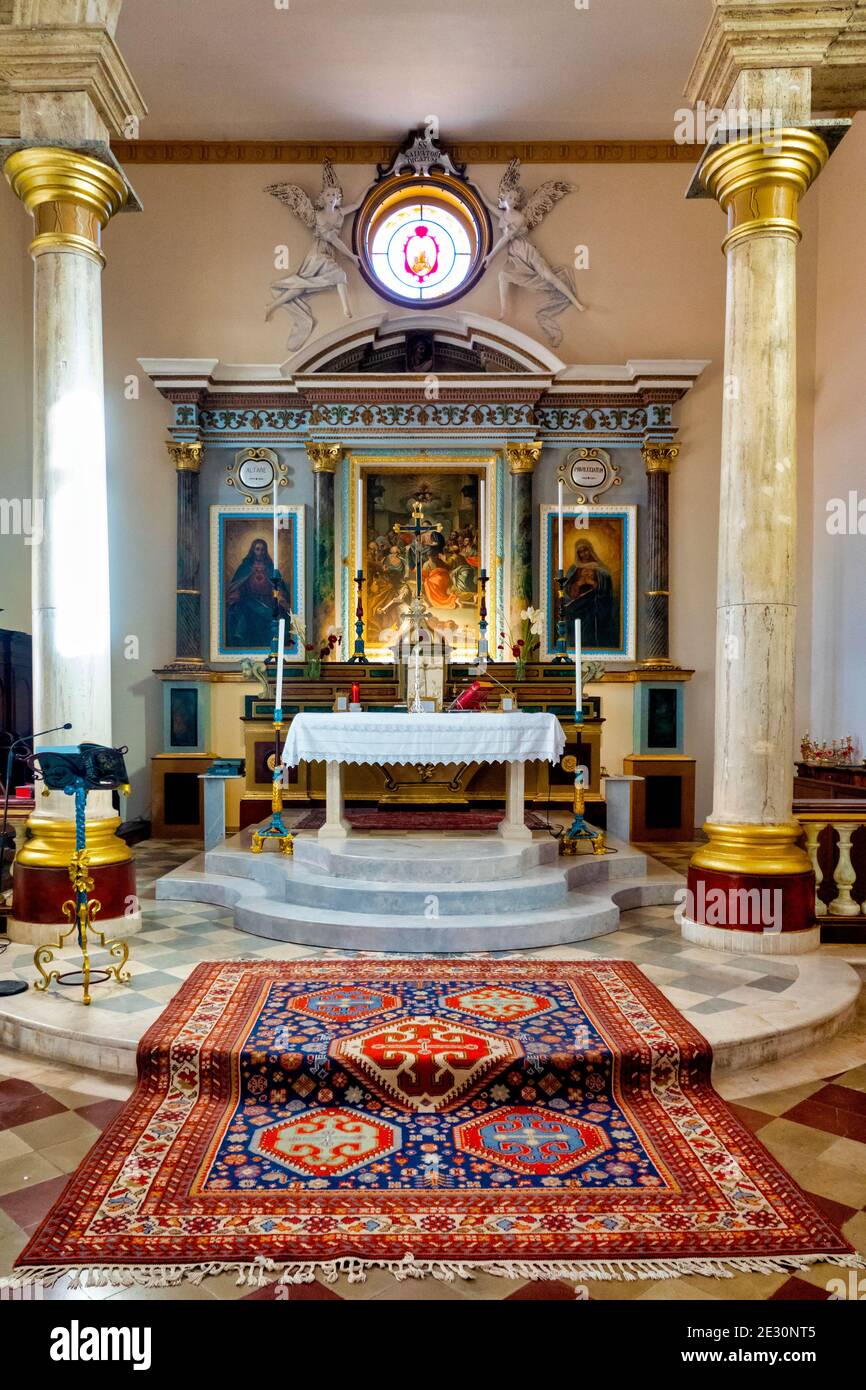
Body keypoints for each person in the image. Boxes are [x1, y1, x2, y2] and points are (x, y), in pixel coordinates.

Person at [225, 538, 289, 649]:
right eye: (258, 549)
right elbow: (237, 586)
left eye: (263, 550)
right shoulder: (244, 568)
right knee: (244, 616)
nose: (260, 552)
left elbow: (279, 588)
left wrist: (280, 597)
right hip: (248, 602)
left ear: (266, 551)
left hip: (267, 602)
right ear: (253, 551)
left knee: (274, 618)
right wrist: (236, 595)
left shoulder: (271, 569)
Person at [562, 538, 617, 648]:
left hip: (595, 607)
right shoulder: (574, 569)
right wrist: (578, 584)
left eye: (585, 550)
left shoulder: (601, 569)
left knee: (592, 629)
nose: (583, 554)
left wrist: (593, 583)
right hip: (578, 607)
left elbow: (607, 591)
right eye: (580, 552)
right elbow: (567, 590)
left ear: (590, 550)